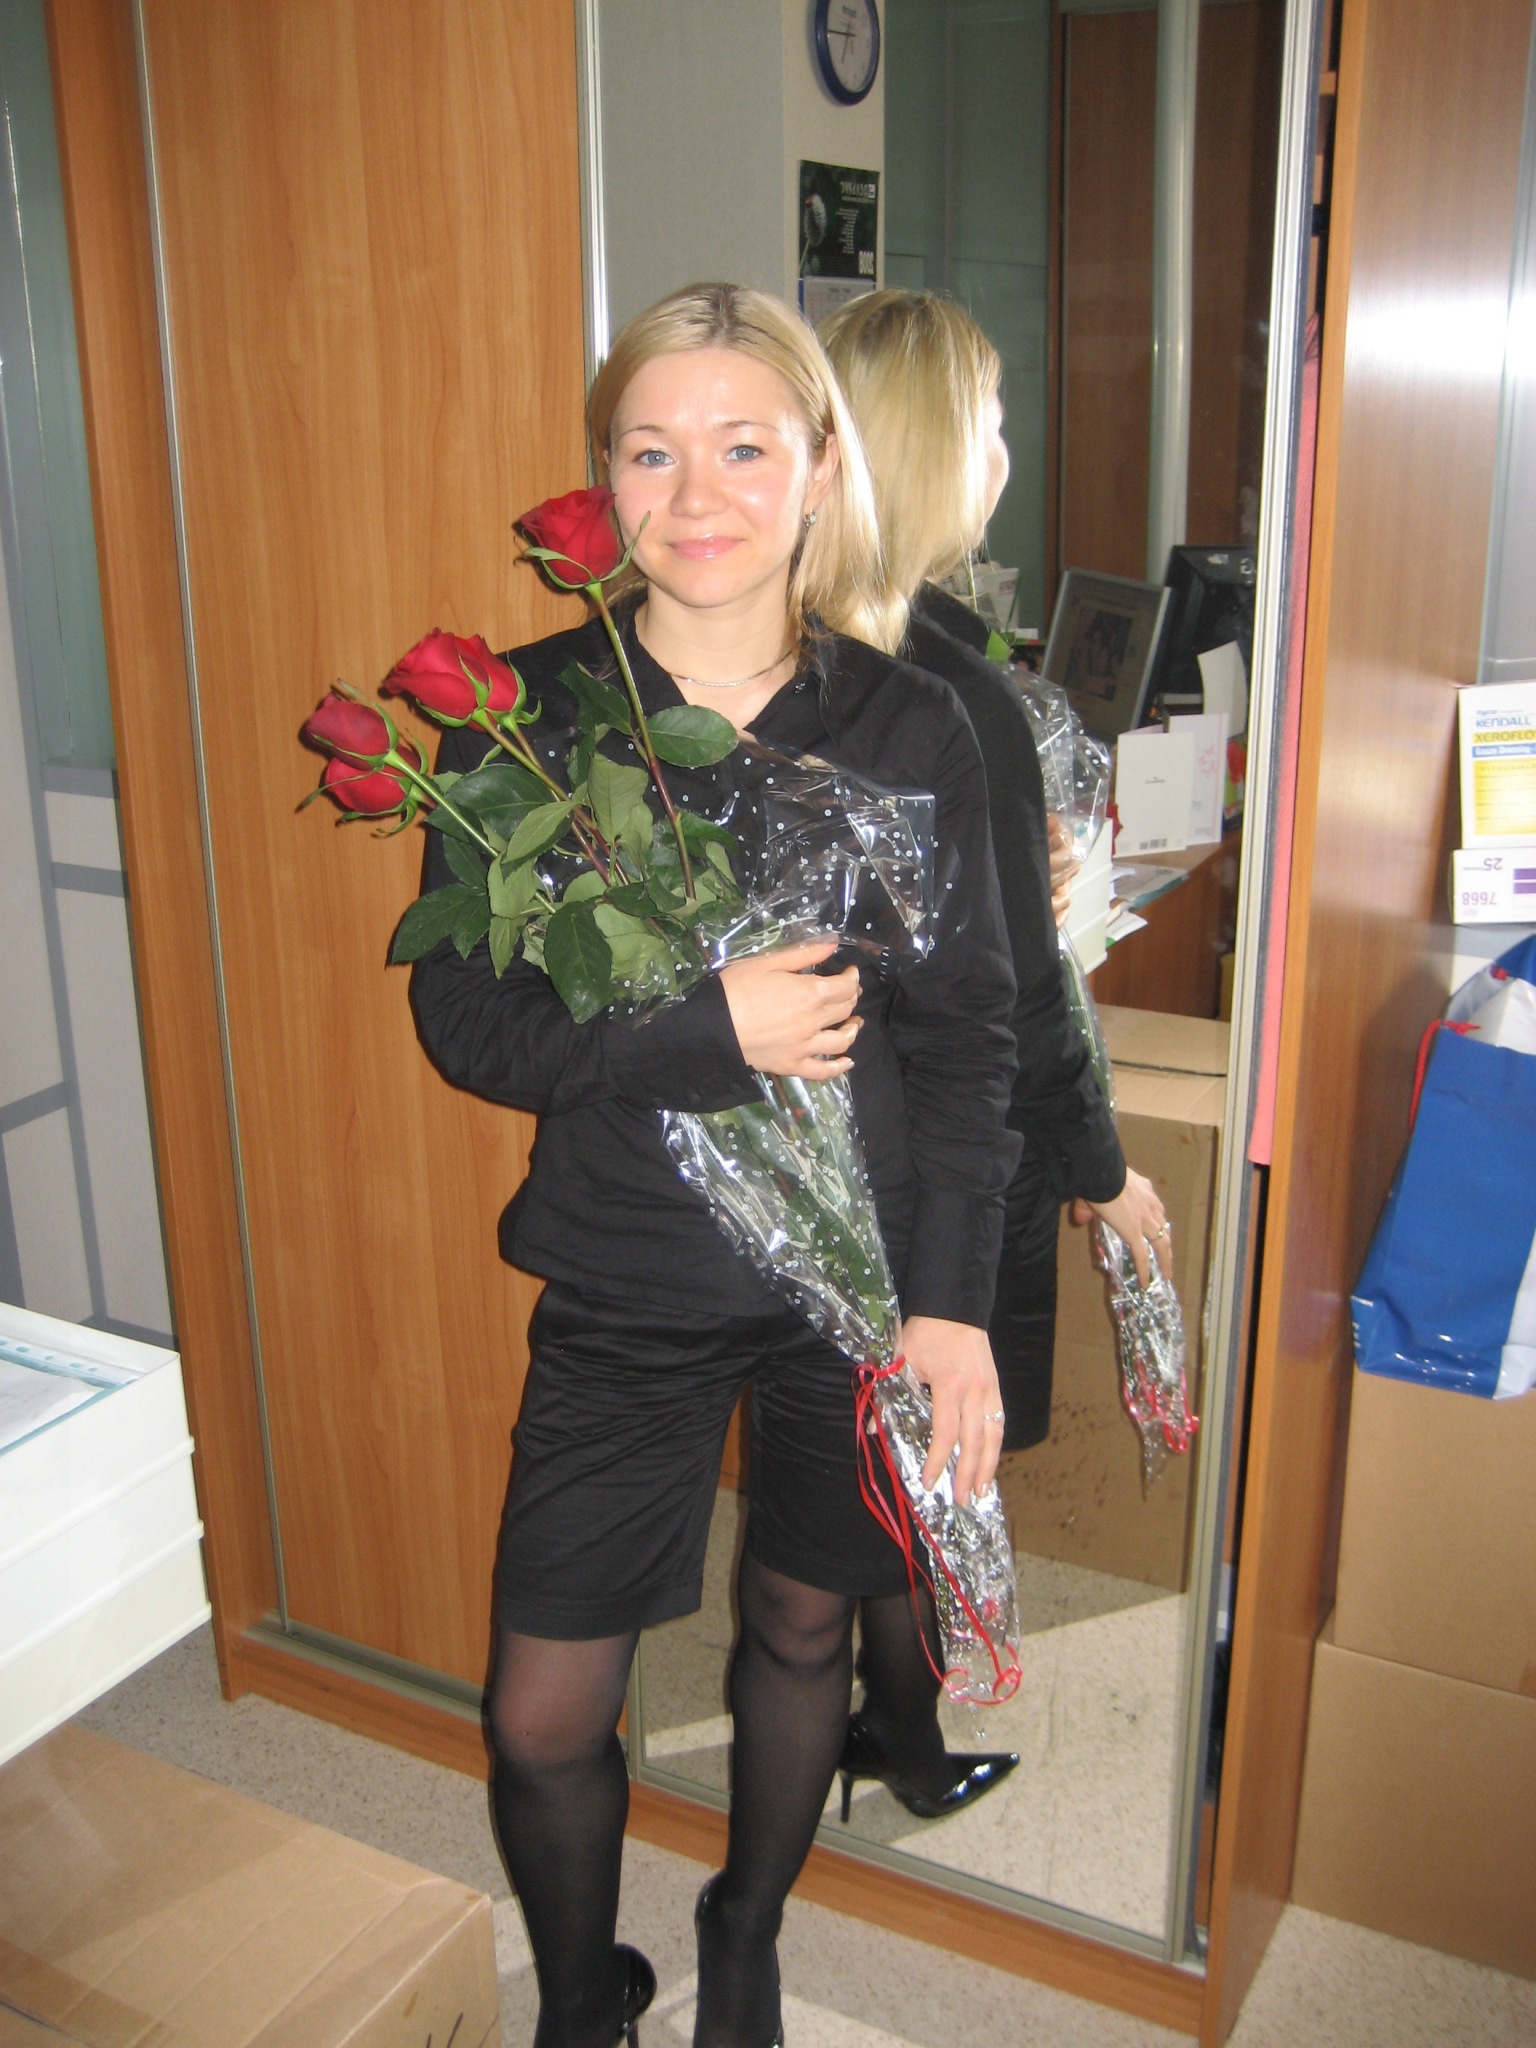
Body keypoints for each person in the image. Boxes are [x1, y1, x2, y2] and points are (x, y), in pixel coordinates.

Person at [409, 284, 1021, 2048]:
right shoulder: (527, 724)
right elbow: (467, 1022)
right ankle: (579, 2000)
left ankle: (744, 1929)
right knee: (540, 1707)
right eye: (651, 451)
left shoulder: (912, 727)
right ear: (605, 480)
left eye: (745, 448)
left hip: (856, 1288)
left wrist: (954, 1308)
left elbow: (968, 1040)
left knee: (805, 1629)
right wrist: (702, 1028)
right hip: (627, 1272)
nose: (697, 496)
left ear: (820, 469)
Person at [820, 288, 1172, 1819]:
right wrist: (1105, 1167)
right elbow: (1021, 997)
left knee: (850, 1443)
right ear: (936, 451)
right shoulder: (958, 695)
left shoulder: (791, 652)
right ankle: (901, 1740)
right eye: (994, 423)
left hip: (823, 1150)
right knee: (927, 1452)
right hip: (944, 1162)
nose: (1007, 453)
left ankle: (875, 1718)